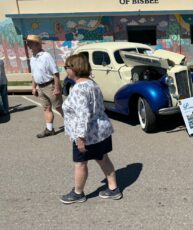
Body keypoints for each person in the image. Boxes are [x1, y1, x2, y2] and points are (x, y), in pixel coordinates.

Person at [60, 54, 122, 204]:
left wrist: (80, 138)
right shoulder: (91, 83)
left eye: (66, 67)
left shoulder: (79, 89)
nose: (66, 70)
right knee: (102, 158)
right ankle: (114, 189)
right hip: (100, 131)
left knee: (80, 164)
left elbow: (83, 115)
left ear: (74, 68)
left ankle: (78, 193)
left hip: (87, 134)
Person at [26, 34, 64, 138]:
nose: (28, 45)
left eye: (30, 43)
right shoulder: (32, 58)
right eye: (27, 43)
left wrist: (57, 88)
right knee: (46, 108)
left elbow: (56, 73)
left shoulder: (46, 56)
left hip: (50, 86)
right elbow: (34, 74)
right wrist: (33, 87)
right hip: (40, 87)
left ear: (37, 44)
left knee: (59, 107)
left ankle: (73, 126)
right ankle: (49, 129)